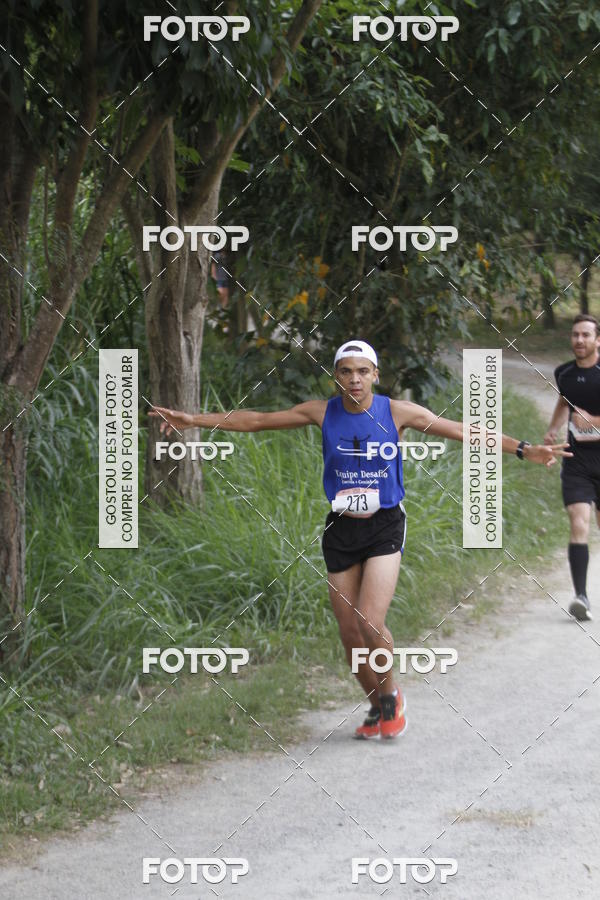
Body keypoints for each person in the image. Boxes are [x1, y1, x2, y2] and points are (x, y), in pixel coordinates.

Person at [150, 340, 569, 739]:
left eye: (362, 372)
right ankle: (378, 703)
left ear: (375, 375)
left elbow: (462, 430)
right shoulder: (321, 412)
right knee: (350, 633)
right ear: (336, 376)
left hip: (385, 523)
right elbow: (256, 421)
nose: (354, 379)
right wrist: (193, 421)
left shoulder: (397, 412)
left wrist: (523, 448)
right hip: (341, 527)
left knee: (370, 620)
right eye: (346, 371)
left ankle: (391, 697)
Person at [544, 314, 600, 621]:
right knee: (579, 522)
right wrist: (553, 429)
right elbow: (565, 401)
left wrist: (593, 421)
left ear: (597, 340)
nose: (579, 340)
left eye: (586, 335)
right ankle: (581, 596)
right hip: (576, 461)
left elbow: (587, 417)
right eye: (575, 335)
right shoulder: (563, 372)